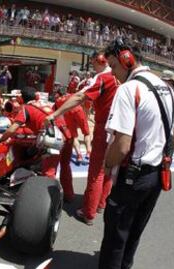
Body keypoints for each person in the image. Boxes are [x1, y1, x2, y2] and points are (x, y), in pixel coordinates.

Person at [86, 37, 174, 269]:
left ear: (126, 60)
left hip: (133, 177)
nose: (113, 73)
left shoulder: (129, 89)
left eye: (114, 66)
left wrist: (107, 165)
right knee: (136, 228)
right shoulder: (168, 88)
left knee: (116, 234)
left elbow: (122, 145)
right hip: (157, 175)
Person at [45, 51, 118, 225]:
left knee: (96, 174)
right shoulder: (122, 78)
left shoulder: (102, 78)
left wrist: (55, 114)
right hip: (120, 130)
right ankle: (100, 204)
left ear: (100, 60)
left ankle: (88, 212)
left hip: (103, 127)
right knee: (109, 170)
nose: (92, 65)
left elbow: (79, 97)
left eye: (93, 62)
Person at [1, 87, 71, 179]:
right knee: (63, 168)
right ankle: (68, 193)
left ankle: (47, 191)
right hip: (65, 135)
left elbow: (11, 130)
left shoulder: (26, 108)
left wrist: (1, 139)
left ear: (21, 98)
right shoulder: (44, 104)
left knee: (48, 173)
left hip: (53, 139)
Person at [54, 89, 90, 201]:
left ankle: (50, 196)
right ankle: (69, 194)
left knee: (50, 167)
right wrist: (89, 148)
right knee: (65, 166)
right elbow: (86, 131)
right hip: (68, 137)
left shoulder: (58, 101)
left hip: (56, 137)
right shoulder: (77, 108)